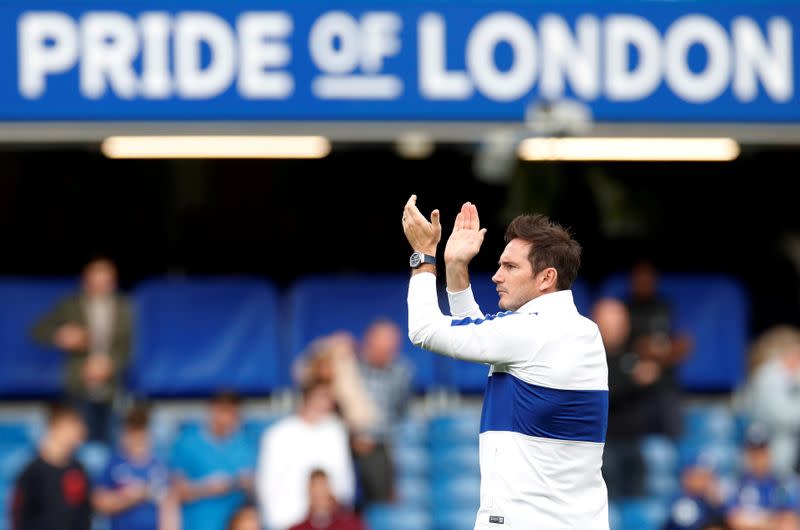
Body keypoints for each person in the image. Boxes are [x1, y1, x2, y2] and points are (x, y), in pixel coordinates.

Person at [402, 197, 608, 529]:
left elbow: (424, 330)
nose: (497, 276)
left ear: (546, 278)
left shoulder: (532, 330)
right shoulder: (576, 329)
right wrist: (456, 266)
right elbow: (486, 341)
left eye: (510, 267)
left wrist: (424, 255)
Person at [32, 257, 133, 442]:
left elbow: (129, 347)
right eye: (95, 282)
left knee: (112, 440)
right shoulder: (70, 305)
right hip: (78, 385)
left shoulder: (124, 307)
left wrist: (109, 365)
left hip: (112, 388)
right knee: (79, 442)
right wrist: (61, 335)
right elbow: (38, 331)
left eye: (105, 282)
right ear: (86, 282)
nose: (100, 287)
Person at [257, 382, 355, 530]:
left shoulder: (335, 431)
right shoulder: (277, 434)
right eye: (322, 397)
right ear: (307, 398)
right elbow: (266, 483)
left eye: (330, 397)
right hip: (285, 519)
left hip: (327, 522)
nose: (328, 402)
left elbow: (344, 481)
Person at [594, 298, 656, 498]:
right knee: (608, 505)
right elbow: (603, 394)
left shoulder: (634, 354)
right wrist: (634, 381)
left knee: (637, 507)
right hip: (603, 446)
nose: (619, 329)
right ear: (597, 323)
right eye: (612, 323)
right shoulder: (589, 357)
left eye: (622, 323)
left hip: (634, 443)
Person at [170, 391, 256, 530]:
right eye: (226, 413)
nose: (230, 420)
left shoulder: (245, 445)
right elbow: (176, 492)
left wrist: (247, 483)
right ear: (213, 411)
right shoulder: (186, 443)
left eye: (234, 414)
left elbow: (255, 489)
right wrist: (206, 488)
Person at [626, 260, 692, 438]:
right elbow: (631, 348)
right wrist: (649, 350)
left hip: (665, 385)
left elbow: (684, 345)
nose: (643, 283)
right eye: (639, 278)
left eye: (648, 278)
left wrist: (658, 354)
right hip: (633, 386)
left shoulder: (665, 307)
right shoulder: (625, 309)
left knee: (675, 431)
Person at [354, 319, 413, 506]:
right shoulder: (351, 365)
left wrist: (372, 436)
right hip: (346, 437)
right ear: (369, 343)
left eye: (392, 348)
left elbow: (399, 411)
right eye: (384, 347)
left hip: (379, 444)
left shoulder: (402, 373)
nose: (389, 353)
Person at [12, 403, 91, 530]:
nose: (81, 432)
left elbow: (85, 513)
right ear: (55, 427)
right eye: (73, 427)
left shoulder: (79, 468)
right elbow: (18, 515)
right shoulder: (33, 472)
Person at [93, 406, 172, 530]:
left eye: (141, 431)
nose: (137, 438)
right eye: (132, 432)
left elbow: (169, 508)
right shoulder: (114, 464)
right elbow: (100, 502)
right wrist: (133, 497)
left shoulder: (160, 466)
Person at [741, 330, 800, 476]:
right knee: (784, 448)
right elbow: (780, 416)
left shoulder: (792, 375)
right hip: (766, 436)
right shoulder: (768, 375)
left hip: (788, 434)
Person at [725, 427, 799, 530]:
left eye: (762, 452)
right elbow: (735, 520)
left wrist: (755, 519)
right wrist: (771, 519)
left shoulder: (784, 481)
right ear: (747, 454)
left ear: (769, 453)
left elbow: (790, 521)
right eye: (753, 453)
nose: (758, 458)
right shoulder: (738, 483)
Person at [663, 453, 724, 530]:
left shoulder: (708, 500)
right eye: (701, 476)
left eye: (709, 476)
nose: (707, 481)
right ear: (687, 477)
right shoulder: (680, 503)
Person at [289, 470, 366, 530]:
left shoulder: (351, 525)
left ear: (330, 493)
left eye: (323, 492)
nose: (320, 498)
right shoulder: (297, 528)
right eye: (316, 494)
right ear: (309, 495)